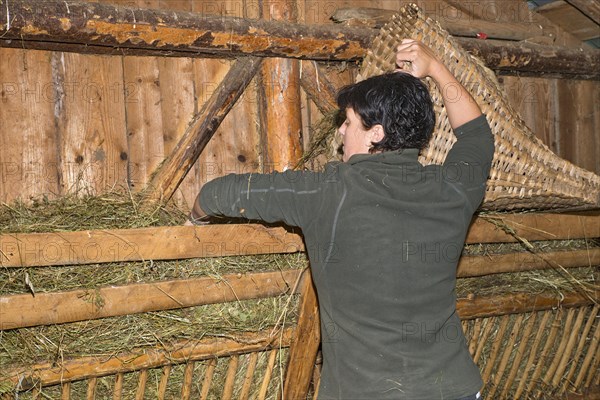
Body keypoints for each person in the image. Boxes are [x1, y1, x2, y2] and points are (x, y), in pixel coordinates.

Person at [189, 40, 494, 399]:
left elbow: (219, 195)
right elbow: (477, 135)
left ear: (376, 134)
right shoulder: (452, 190)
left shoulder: (327, 192)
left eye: (349, 123)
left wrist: (195, 220)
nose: (340, 132)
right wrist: (436, 67)